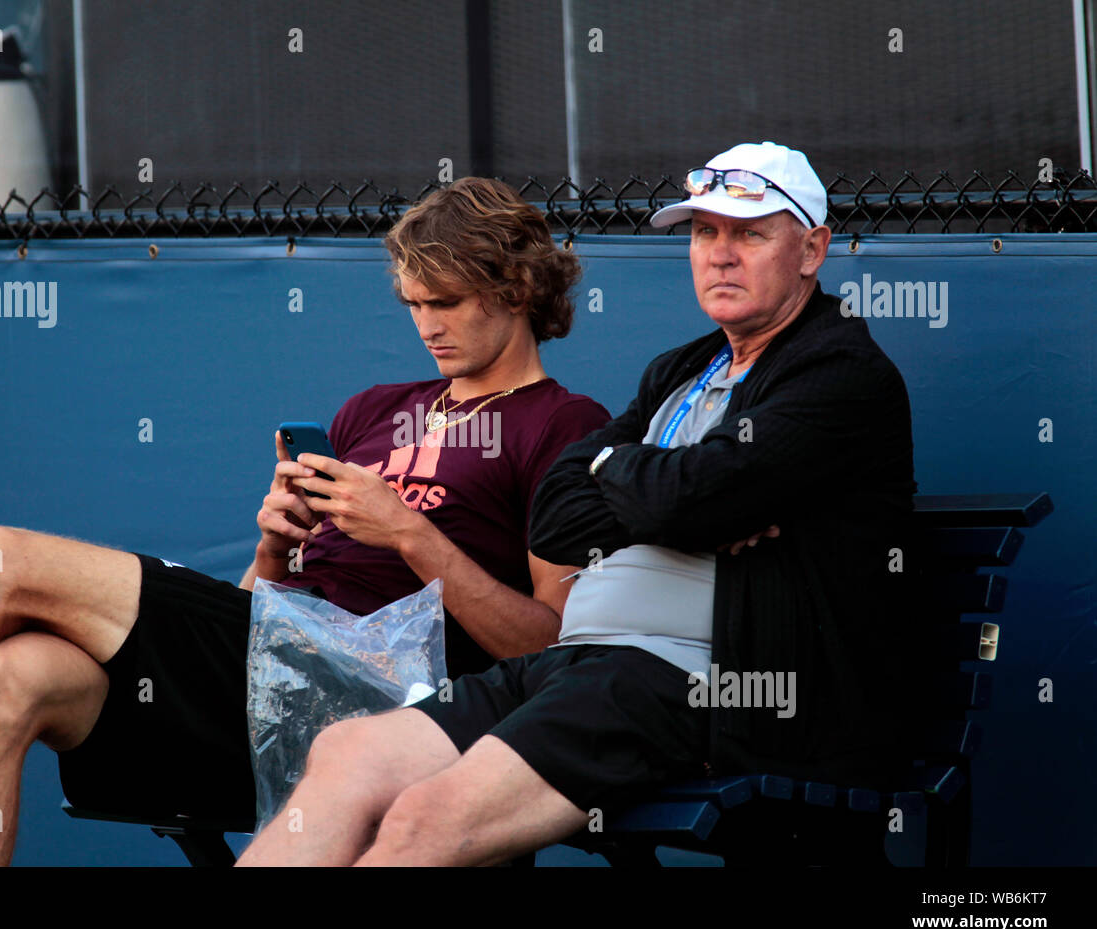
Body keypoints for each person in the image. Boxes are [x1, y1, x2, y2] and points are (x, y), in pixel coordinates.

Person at [0, 177, 609, 866]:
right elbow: (261, 599)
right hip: (272, 677)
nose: (425, 323)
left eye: (447, 302)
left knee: (2, 557)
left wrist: (408, 534)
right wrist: (275, 545)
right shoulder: (372, 410)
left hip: (395, 701)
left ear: (516, 290)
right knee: (8, 677)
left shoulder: (564, 423)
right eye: (412, 303)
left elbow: (551, 647)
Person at [236, 142, 919, 867]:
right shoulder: (683, 369)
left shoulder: (840, 371)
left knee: (425, 818)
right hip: (579, 665)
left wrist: (655, 488)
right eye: (703, 233)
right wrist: (661, 489)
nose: (720, 255)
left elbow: (687, 500)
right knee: (348, 754)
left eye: (748, 233)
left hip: (708, 683)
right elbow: (560, 516)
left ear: (812, 249)